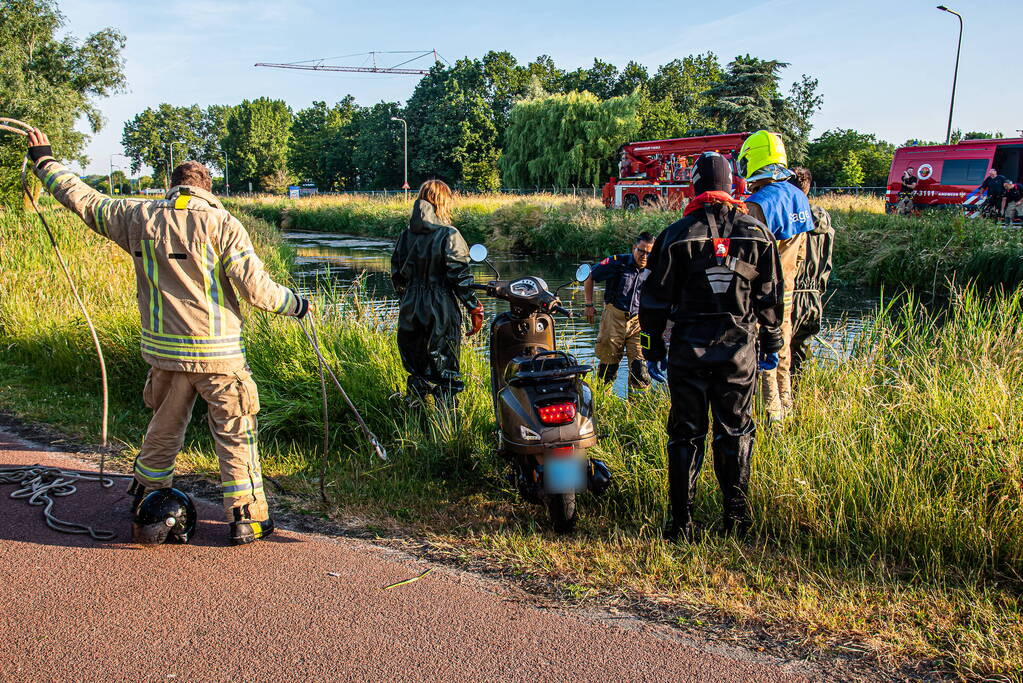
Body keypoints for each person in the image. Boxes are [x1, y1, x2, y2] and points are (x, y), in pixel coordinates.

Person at [24, 128, 310, 545]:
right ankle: (246, 517)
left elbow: (82, 198)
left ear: (170, 186)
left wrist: (44, 160)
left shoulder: (137, 216)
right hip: (219, 355)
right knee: (234, 431)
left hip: (164, 354)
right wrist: (296, 304)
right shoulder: (223, 223)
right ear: (207, 189)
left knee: (164, 427)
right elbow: (257, 290)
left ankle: (146, 497)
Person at [639, 152, 784, 540]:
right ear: (734, 185)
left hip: (688, 350)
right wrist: (772, 342)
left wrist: (652, 351)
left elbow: (652, 301)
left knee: (686, 433)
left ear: (694, 187)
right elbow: (769, 297)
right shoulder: (757, 233)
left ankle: (680, 524)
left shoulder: (675, 235)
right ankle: (736, 522)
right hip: (739, 351)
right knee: (735, 431)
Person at [736, 131, 814, 422]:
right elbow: (803, 251)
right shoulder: (798, 196)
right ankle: (788, 409)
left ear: (753, 159)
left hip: (762, 295)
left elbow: (748, 259)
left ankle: (772, 420)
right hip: (789, 290)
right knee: (783, 353)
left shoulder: (758, 204)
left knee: (763, 354)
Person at [391, 180, 484, 405]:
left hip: (410, 306)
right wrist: (474, 306)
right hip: (440, 306)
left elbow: (397, 274)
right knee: (446, 371)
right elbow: (459, 275)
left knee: (417, 370)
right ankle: (446, 427)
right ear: (443, 201)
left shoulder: (405, 235)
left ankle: (416, 418)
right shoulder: (448, 234)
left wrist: (407, 300)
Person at [584, 233, 655, 392]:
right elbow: (590, 275)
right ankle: (602, 404)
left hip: (639, 322)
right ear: (634, 248)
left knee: (641, 369)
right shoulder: (617, 262)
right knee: (608, 368)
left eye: (649, 253)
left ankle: (637, 410)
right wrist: (589, 304)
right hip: (614, 318)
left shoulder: (655, 269)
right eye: (641, 251)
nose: (644, 256)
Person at [786, 167, 835, 374]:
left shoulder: (789, 219)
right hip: (814, 297)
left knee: (778, 356)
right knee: (800, 356)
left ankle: (778, 404)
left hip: (791, 294)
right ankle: (798, 398)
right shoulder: (827, 227)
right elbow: (827, 265)